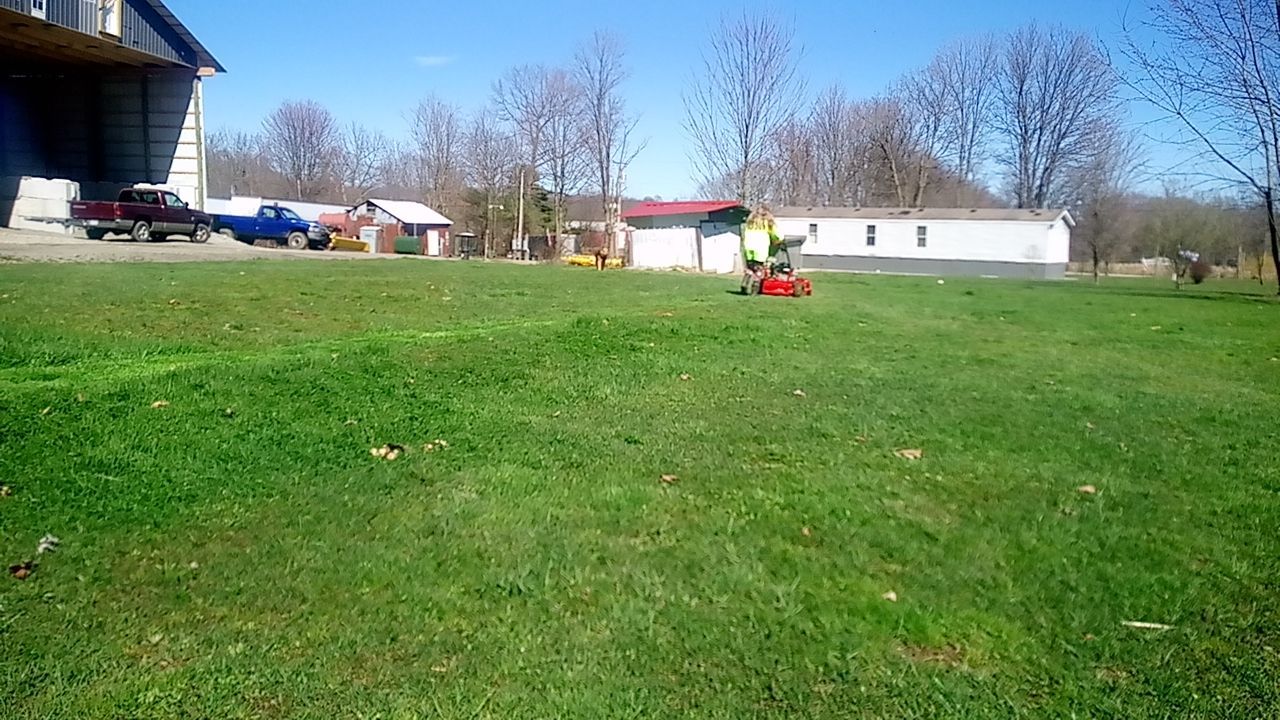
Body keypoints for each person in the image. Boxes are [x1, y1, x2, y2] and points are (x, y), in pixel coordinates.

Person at [741, 207, 781, 291]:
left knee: (751, 267)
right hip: (760, 250)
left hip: (748, 249)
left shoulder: (750, 223)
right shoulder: (767, 223)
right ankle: (755, 286)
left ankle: (746, 281)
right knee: (759, 270)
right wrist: (776, 241)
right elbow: (777, 236)